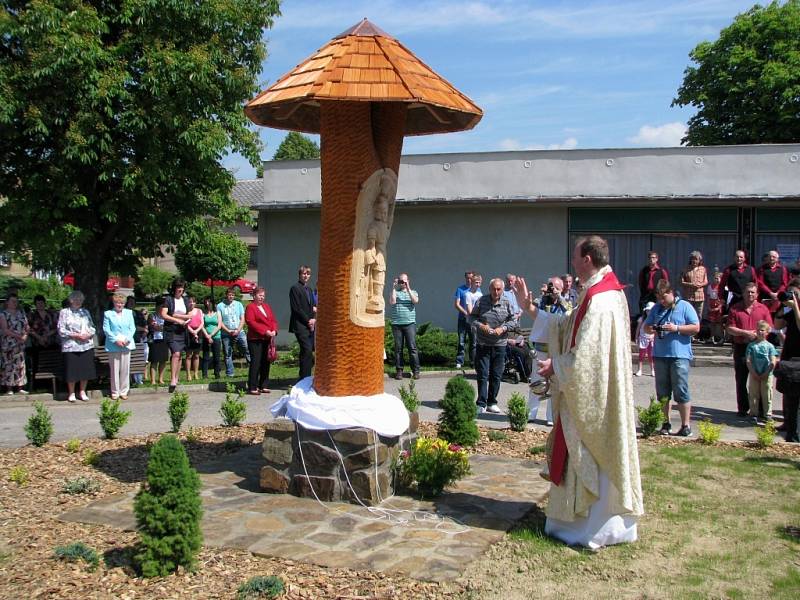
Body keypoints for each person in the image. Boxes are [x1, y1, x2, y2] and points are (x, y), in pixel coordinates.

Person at [514, 235, 643, 549]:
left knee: (589, 456)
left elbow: (588, 357)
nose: (571, 262)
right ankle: (585, 524)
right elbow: (567, 326)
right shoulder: (600, 292)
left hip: (594, 402)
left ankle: (589, 529)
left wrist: (554, 367)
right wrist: (529, 308)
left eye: (575, 257)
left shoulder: (601, 300)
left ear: (587, 259)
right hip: (594, 394)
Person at [644, 280, 700, 436]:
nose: (661, 301)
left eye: (663, 297)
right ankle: (666, 423)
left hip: (679, 355)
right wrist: (654, 327)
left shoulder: (685, 306)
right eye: (659, 298)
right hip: (660, 354)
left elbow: (696, 327)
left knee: (681, 390)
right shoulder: (656, 309)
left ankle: (685, 425)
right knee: (662, 392)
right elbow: (646, 328)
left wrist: (676, 328)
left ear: (671, 293)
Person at [471, 277, 518, 414]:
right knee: (483, 374)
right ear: (489, 289)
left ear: (502, 290)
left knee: (496, 375)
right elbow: (471, 317)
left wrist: (503, 329)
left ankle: (492, 402)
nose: (496, 292)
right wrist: (481, 326)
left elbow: (514, 321)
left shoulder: (507, 302)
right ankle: (481, 403)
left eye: (498, 289)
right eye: (493, 289)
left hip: (500, 344)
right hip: (483, 343)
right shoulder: (481, 301)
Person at [527, 276, 570, 425]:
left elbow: (569, 313)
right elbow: (533, 308)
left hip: (556, 348)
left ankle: (551, 416)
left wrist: (559, 297)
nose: (553, 290)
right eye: (551, 287)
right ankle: (530, 413)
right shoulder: (542, 301)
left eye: (556, 288)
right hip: (541, 347)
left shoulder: (565, 303)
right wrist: (544, 295)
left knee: (554, 383)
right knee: (536, 379)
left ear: (562, 289)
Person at [727, 281, 773, 417]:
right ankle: (743, 408)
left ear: (757, 294)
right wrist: (745, 333)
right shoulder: (735, 308)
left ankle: (759, 409)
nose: (750, 294)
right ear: (743, 294)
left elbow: (769, 327)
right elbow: (729, 328)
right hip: (741, 347)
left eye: (753, 292)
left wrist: (759, 335)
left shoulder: (763, 309)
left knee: (759, 379)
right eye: (748, 292)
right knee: (741, 380)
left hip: (760, 349)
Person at [57, 290, 96, 402]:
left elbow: (92, 327)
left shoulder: (85, 312)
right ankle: (71, 393)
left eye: (80, 299)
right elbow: (61, 329)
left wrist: (88, 334)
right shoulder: (64, 312)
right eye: (76, 299)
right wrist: (76, 335)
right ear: (71, 300)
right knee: (72, 370)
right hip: (71, 346)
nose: (78, 301)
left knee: (85, 370)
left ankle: (82, 391)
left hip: (86, 345)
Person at [774, 281, 800, 441]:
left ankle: (795, 430)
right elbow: (777, 325)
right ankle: (787, 423)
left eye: (795, 293)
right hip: (789, 354)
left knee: (797, 395)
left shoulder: (796, 308)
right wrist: (782, 307)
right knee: (787, 391)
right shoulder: (788, 309)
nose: (792, 296)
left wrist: (796, 305)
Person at [160, 278, 193, 393]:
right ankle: (173, 378)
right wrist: (177, 319)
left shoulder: (186, 300)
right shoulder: (168, 299)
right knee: (176, 353)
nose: (180, 289)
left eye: (182, 287)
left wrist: (176, 315)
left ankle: (177, 377)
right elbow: (164, 314)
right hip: (171, 330)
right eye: (178, 287)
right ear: (174, 288)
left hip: (182, 331)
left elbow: (190, 315)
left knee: (180, 355)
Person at [244, 286, 278, 395]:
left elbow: (273, 320)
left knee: (265, 362)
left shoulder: (267, 307)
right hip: (255, 339)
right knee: (256, 362)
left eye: (263, 295)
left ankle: (264, 385)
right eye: (259, 295)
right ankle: (252, 386)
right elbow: (251, 322)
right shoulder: (250, 307)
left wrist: (274, 331)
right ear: (254, 296)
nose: (262, 297)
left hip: (267, 339)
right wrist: (265, 331)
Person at [103, 293, 137, 400]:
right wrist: (115, 340)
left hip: (126, 344)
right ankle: (115, 391)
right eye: (117, 302)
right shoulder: (108, 314)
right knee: (114, 369)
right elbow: (106, 330)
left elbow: (132, 328)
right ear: (114, 303)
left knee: (125, 369)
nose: (120, 305)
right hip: (113, 345)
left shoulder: (129, 313)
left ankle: (124, 391)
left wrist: (127, 339)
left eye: (122, 303)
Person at [746, 320, 779, 424]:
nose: (760, 332)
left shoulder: (770, 346)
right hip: (754, 373)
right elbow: (748, 360)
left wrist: (767, 372)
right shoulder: (751, 345)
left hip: (767, 374)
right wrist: (753, 372)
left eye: (762, 330)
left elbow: (773, 360)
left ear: (767, 332)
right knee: (753, 393)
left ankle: (767, 414)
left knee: (767, 393)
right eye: (758, 330)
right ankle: (753, 413)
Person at [389, 272, 420, 380]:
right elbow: (392, 302)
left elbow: (415, 300)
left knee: (412, 348)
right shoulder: (395, 292)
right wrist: (393, 287)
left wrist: (408, 288)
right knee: (398, 349)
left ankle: (416, 371)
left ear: (408, 281)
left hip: (409, 324)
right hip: (397, 324)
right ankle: (399, 371)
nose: (402, 283)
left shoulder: (413, 292)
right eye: (400, 281)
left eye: (404, 281)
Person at [289, 265, 317, 380]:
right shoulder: (295, 288)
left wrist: (314, 318)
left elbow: (311, 307)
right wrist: (308, 320)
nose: (306, 276)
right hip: (300, 324)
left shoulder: (309, 289)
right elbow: (297, 308)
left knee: (307, 351)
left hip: (309, 325)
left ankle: (303, 376)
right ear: (299, 275)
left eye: (308, 274)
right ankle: (305, 378)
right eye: (303, 273)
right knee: (307, 350)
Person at [217, 287, 250, 378]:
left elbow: (242, 318)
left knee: (246, 348)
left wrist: (238, 330)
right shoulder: (220, 306)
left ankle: (252, 368)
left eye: (232, 295)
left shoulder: (238, 304)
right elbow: (220, 321)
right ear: (226, 295)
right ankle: (230, 373)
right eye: (229, 295)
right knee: (227, 353)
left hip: (239, 331)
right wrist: (228, 331)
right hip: (226, 333)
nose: (231, 297)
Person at [0, 293, 30, 395]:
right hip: (8, 344)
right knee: (8, 365)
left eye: (16, 301)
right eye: (12, 301)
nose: (15, 303)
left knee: (20, 365)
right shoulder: (3, 314)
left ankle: (19, 387)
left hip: (20, 344)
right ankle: (9, 388)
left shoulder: (21, 313)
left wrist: (25, 336)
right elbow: (5, 329)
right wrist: (18, 336)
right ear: (7, 302)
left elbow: (27, 327)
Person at [27, 294, 58, 388]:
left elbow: (56, 327)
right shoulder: (31, 315)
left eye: (41, 303)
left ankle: (53, 384)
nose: (40, 305)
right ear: (35, 304)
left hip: (51, 342)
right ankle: (38, 386)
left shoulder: (51, 314)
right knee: (37, 364)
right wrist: (39, 337)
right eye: (38, 303)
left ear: (45, 303)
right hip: (37, 343)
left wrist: (47, 335)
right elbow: (28, 328)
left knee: (52, 363)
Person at [125, 296, 148, 385]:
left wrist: (144, 331)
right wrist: (142, 329)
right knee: (128, 361)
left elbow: (145, 324)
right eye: (130, 302)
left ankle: (137, 379)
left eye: (133, 302)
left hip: (138, 340)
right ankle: (129, 379)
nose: (132, 304)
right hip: (127, 341)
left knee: (137, 360)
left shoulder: (138, 313)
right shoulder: (124, 313)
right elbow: (131, 327)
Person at [453, 270, 473, 369]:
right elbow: (456, 304)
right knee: (461, 341)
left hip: (473, 321)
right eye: (468, 278)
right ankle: (460, 361)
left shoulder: (477, 290)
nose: (469, 280)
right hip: (462, 319)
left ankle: (473, 361)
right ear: (465, 278)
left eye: (471, 278)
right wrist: (466, 313)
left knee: (473, 341)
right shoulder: (460, 289)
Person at [680, 250, 708, 320]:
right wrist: (690, 284)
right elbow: (681, 282)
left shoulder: (703, 269)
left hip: (700, 297)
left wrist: (700, 284)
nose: (694, 261)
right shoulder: (685, 269)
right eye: (692, 259)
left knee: (699, 315)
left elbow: (706, 281)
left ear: (699, 260)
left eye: (696, 259)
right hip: (689, 296)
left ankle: (697, 329)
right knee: (688, 315)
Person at [147, 297, 169, 385]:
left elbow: (167, 328)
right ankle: (152, 380)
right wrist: (161, 327)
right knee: (154, 360)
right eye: (161, 306)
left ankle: (160, 379)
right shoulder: (152, 315)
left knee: (163, 361)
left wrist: (161, 328)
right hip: (154, 340)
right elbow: (154, 326)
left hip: (164, 339)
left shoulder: (166, 317)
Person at [201, 296, 222, 379]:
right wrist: (207, 335)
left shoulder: (217, 313)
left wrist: (211, 335)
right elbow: (202, 325)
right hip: (206, 336)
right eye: (206, 302)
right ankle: (204, 375)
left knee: (216, 357)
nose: (207, 304)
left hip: (216, 336)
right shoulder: (203, 313)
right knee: (205, 356)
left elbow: (219, 325)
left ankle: (217, 373)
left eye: (209, 302)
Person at [184, 294, 203, 381]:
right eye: (190, 302)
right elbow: (185, 324)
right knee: (189, 355)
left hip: (198, 332)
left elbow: (202, 323)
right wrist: (192, 332)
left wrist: (196, 331)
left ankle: (196, 373)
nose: (191, 303)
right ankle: (188, 374)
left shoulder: (199, 311)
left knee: (196, 355)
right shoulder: (186, 312)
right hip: (189, 333)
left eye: (193, 302)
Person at [634, 302, 656, 377]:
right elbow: (638, 328)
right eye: (647, 310)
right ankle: (639, 369)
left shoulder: (655, 320)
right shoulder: (642, 319)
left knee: (651, 355)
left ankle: (653, 370)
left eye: (650, 310)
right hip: (643, 338)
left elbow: (656, 330)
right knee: (641, 355)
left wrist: (653, 336)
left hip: (651, 340)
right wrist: (636, 337)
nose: (648, 312)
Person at [706, 270, 725, 345]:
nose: (716, 280)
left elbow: (723, 299)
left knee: (720, 323)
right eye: (715, 278)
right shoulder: (710, 287)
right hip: (711, 304)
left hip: (719, 305)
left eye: (718, 278)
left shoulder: (723, 288)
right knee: (712, 323)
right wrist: (708, 306)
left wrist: (719, 307)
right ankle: (712, 337)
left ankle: (722, 338)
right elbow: (708, 297)